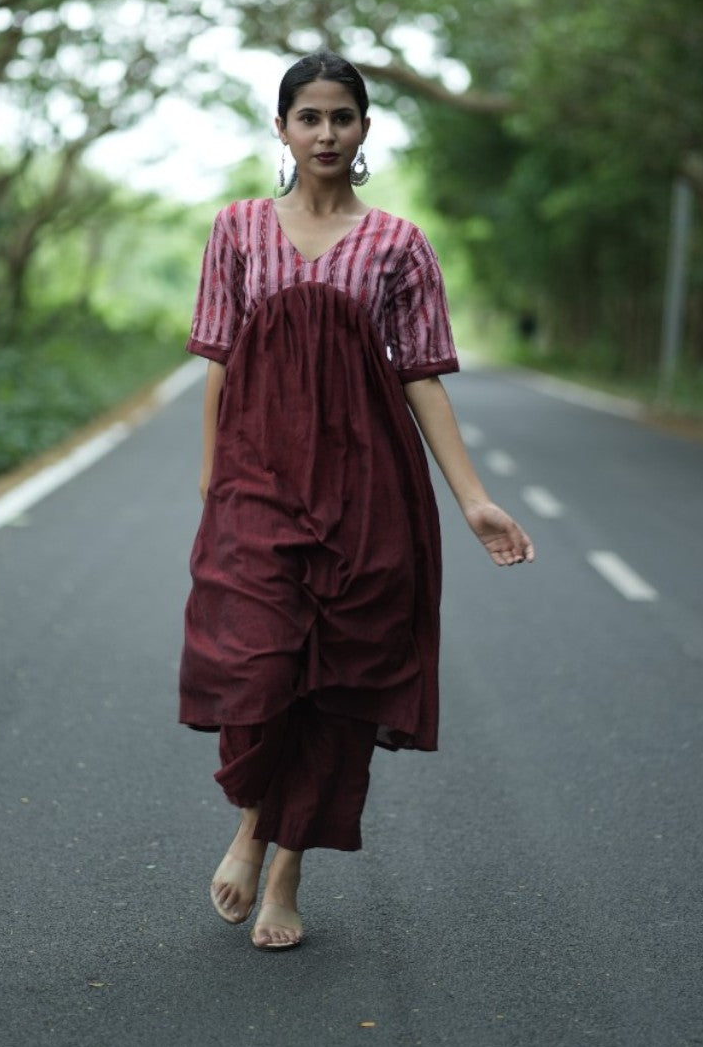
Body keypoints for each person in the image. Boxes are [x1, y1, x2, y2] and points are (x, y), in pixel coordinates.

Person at [180, 51, 534, 951]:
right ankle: (252, 827)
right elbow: (218, 363)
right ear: (282, 128)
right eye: (309, 116)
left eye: (343, 117)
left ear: (365, 129)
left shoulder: (400, 244)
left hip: (367, 490)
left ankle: (284, 867)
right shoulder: (237, 230)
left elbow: (420, 379)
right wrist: (214, 475)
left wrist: (475, 501)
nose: (326, 133)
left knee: (338, 681)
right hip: (260, 482)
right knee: (261, 668)